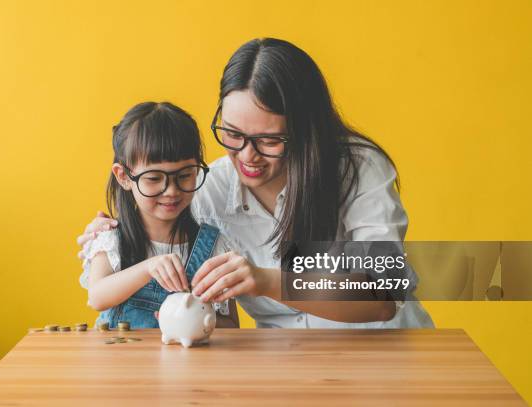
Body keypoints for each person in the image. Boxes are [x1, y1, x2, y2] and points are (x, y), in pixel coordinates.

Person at [78, 38, 433, 329]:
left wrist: (266, 280)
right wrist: (114, 228)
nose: (248, 156)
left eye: (269, 140)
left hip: (384, 355)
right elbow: (152, 232)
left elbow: (382, 297)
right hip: (285, 369)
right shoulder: (207, 187)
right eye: (232, 134)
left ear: (305, 132)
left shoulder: (358, 169)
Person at [80, 101, 238, 329]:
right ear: (124, 177)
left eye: (184, 175)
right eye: (154, 178)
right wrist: (147, 268)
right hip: (120, 363)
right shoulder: (111, 239)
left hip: (188, 364)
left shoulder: (213, 246)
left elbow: (232, 325)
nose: (172, 191)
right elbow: (97, 297)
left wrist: (193, 315)